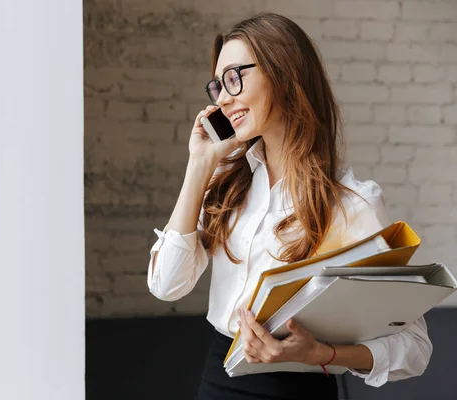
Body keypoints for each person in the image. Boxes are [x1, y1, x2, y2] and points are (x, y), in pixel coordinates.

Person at [146, 12, 432, 400]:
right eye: (218, 86)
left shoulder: (354, 204)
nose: (224, 98)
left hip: (302, 387)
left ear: (283, 75)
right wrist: (199, 164)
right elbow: (167, 285)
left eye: (235, 77)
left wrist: (320, 353)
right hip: (219, 381)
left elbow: (415, 348)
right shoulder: (226, 179)